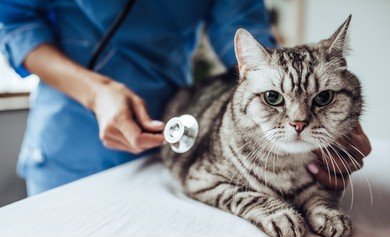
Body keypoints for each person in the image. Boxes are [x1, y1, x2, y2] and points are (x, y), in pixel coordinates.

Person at [0, 0, 370, 196]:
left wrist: (314, 105)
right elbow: (16, 23)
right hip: (73, 129)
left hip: (178, 128)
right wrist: (96, 93)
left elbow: (241, 31)